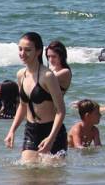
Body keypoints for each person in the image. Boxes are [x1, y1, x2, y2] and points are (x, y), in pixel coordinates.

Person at [5, 32, 67, 162]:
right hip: (31, 130)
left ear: (38, 51)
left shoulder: (48, 76)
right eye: (20, 49)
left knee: (49, 178)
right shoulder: (21, 74)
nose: (22, 53)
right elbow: (22, 106)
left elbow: (61, 111)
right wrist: (12, 131)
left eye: (28, 50)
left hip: (52, 131)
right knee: (26, 173)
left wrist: (50, 139)